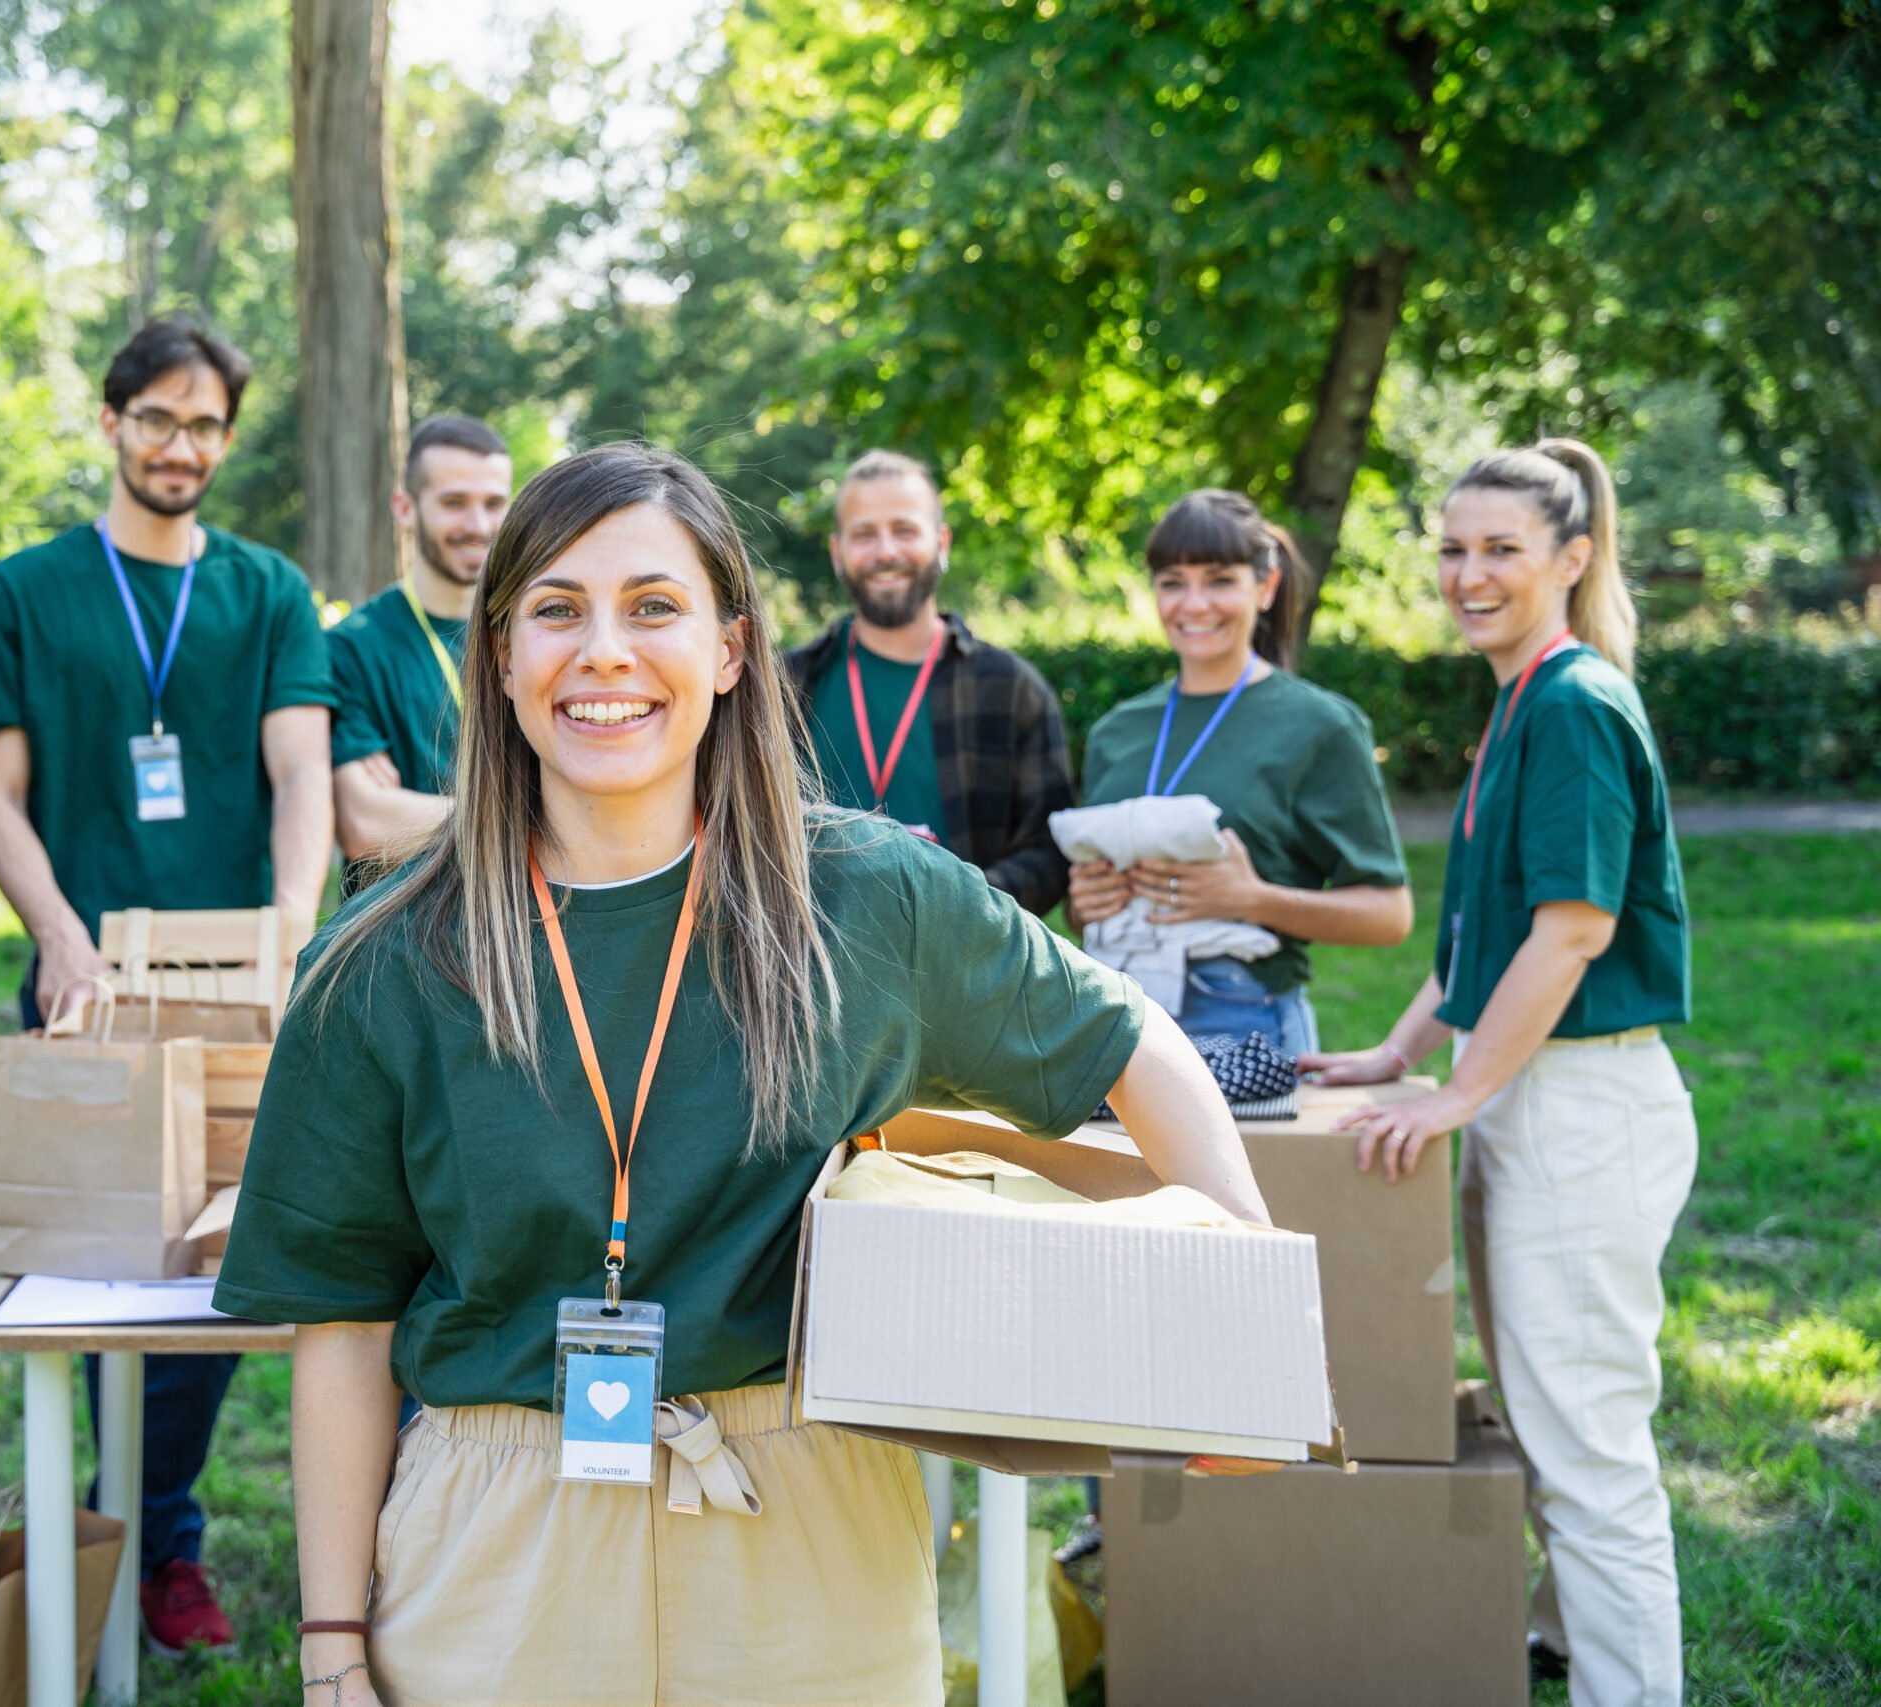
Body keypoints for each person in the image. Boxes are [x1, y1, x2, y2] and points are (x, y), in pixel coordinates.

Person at [215, 446, 1273, 1707]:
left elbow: (1133, 1042)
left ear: (728, 649)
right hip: (496, 1541)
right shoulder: (380, 957)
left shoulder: (872, 895)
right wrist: (331, 1645)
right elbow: (341, 1322)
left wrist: (1237, 1317)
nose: (603, 649)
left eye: (652, 606)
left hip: (806, 1523)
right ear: (500, 659)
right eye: (556, 609)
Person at [0, 314, 335, 1651]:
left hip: (228, 994)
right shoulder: (24, 590)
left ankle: (149, 1533)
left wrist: (287, 926)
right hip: (88, 986)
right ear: (111, 423)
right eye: (156, 417)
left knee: (209, 1279)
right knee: (90, 1277)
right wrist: (54, 933)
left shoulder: (268, 589)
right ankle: (102, 1527)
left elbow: (296, 769)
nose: (181, 445)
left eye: (205, 423)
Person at [1303, 440, 1693, 1707]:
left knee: (1587, 1455)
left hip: (1582, 1103)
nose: (1467, 575)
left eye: (1500, 551)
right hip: (1528, 1089)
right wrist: (1401, 1051)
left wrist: (1460, 1094)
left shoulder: (1574, 705)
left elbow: (1573, 931)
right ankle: (1571, 1651)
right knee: (1544, 1423)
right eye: (1452, 549)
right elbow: (1489, 925)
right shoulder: (1521, 697)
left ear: (1571, 560)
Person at [1067, 490, 1412, 1053]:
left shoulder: (1320, 726)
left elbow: (1390, 917)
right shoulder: (1116, 732)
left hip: (1245, 1018)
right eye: (1173, 582)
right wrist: (1088, 902)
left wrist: (1252, 900)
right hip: (1117, 1021)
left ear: (1266, 586)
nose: (1194, 604)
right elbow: (1087, 913)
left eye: (1220, 580)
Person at [785, 449, 1075, 915]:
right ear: (837, 553)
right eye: (864, 535)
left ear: (941, 542)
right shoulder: (781, 688)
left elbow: (1050, 849)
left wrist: (955, 909)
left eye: (904, 530)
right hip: (810, 967)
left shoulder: (1010, 689)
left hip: (963, 976)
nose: (886, 551)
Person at [329, 413, 513, 881]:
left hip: (527, 924)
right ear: (405, 507)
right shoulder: (351, 647)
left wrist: (416, 814)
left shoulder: (535, 633)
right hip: (399, 935)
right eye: (454, 502)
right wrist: (537, 815)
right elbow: (365, 822)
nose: (478, 524)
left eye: (494, 503)